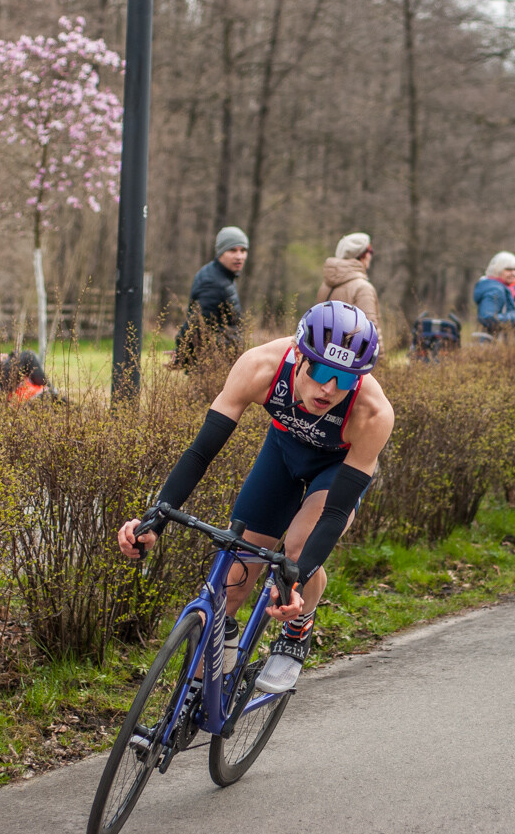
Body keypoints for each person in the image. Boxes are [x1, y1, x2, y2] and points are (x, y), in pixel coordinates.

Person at [119, 301, 393, 694]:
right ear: (299, 355)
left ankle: (299, 627)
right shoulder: (261, 366)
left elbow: (335, 513)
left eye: (345, 378)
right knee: (232, 579)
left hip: (336, 470)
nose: (329, 388)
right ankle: (193, 697)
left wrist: (295, 582)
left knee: (296, 553)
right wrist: (155, 519)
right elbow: (200, 453)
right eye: (320, 370)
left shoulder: (373, 412)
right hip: (282, 454)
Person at [173, 226, 248, 369]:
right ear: (220, 252)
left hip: (221, 362)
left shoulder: (225, 278)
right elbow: (197, 324)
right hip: (211, 365)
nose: (239, 256)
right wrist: (182, 354)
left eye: (243, 250)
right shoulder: (212, 281)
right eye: (232, 250)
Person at [316, 232, 384, 361]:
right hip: (351, 363)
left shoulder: (325, 285)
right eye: (370, 251)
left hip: (321, 358)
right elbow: (372, 334)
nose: (371, 255)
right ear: (362, 255)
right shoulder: (363, 288)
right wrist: (381, 365)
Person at [473, 251, 515, 337]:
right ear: (497, 270)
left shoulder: (497, 286)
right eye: (508, 270)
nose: (513, 273)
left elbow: (508, 295)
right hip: (495, 345)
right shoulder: (495, 290)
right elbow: (488, 319)